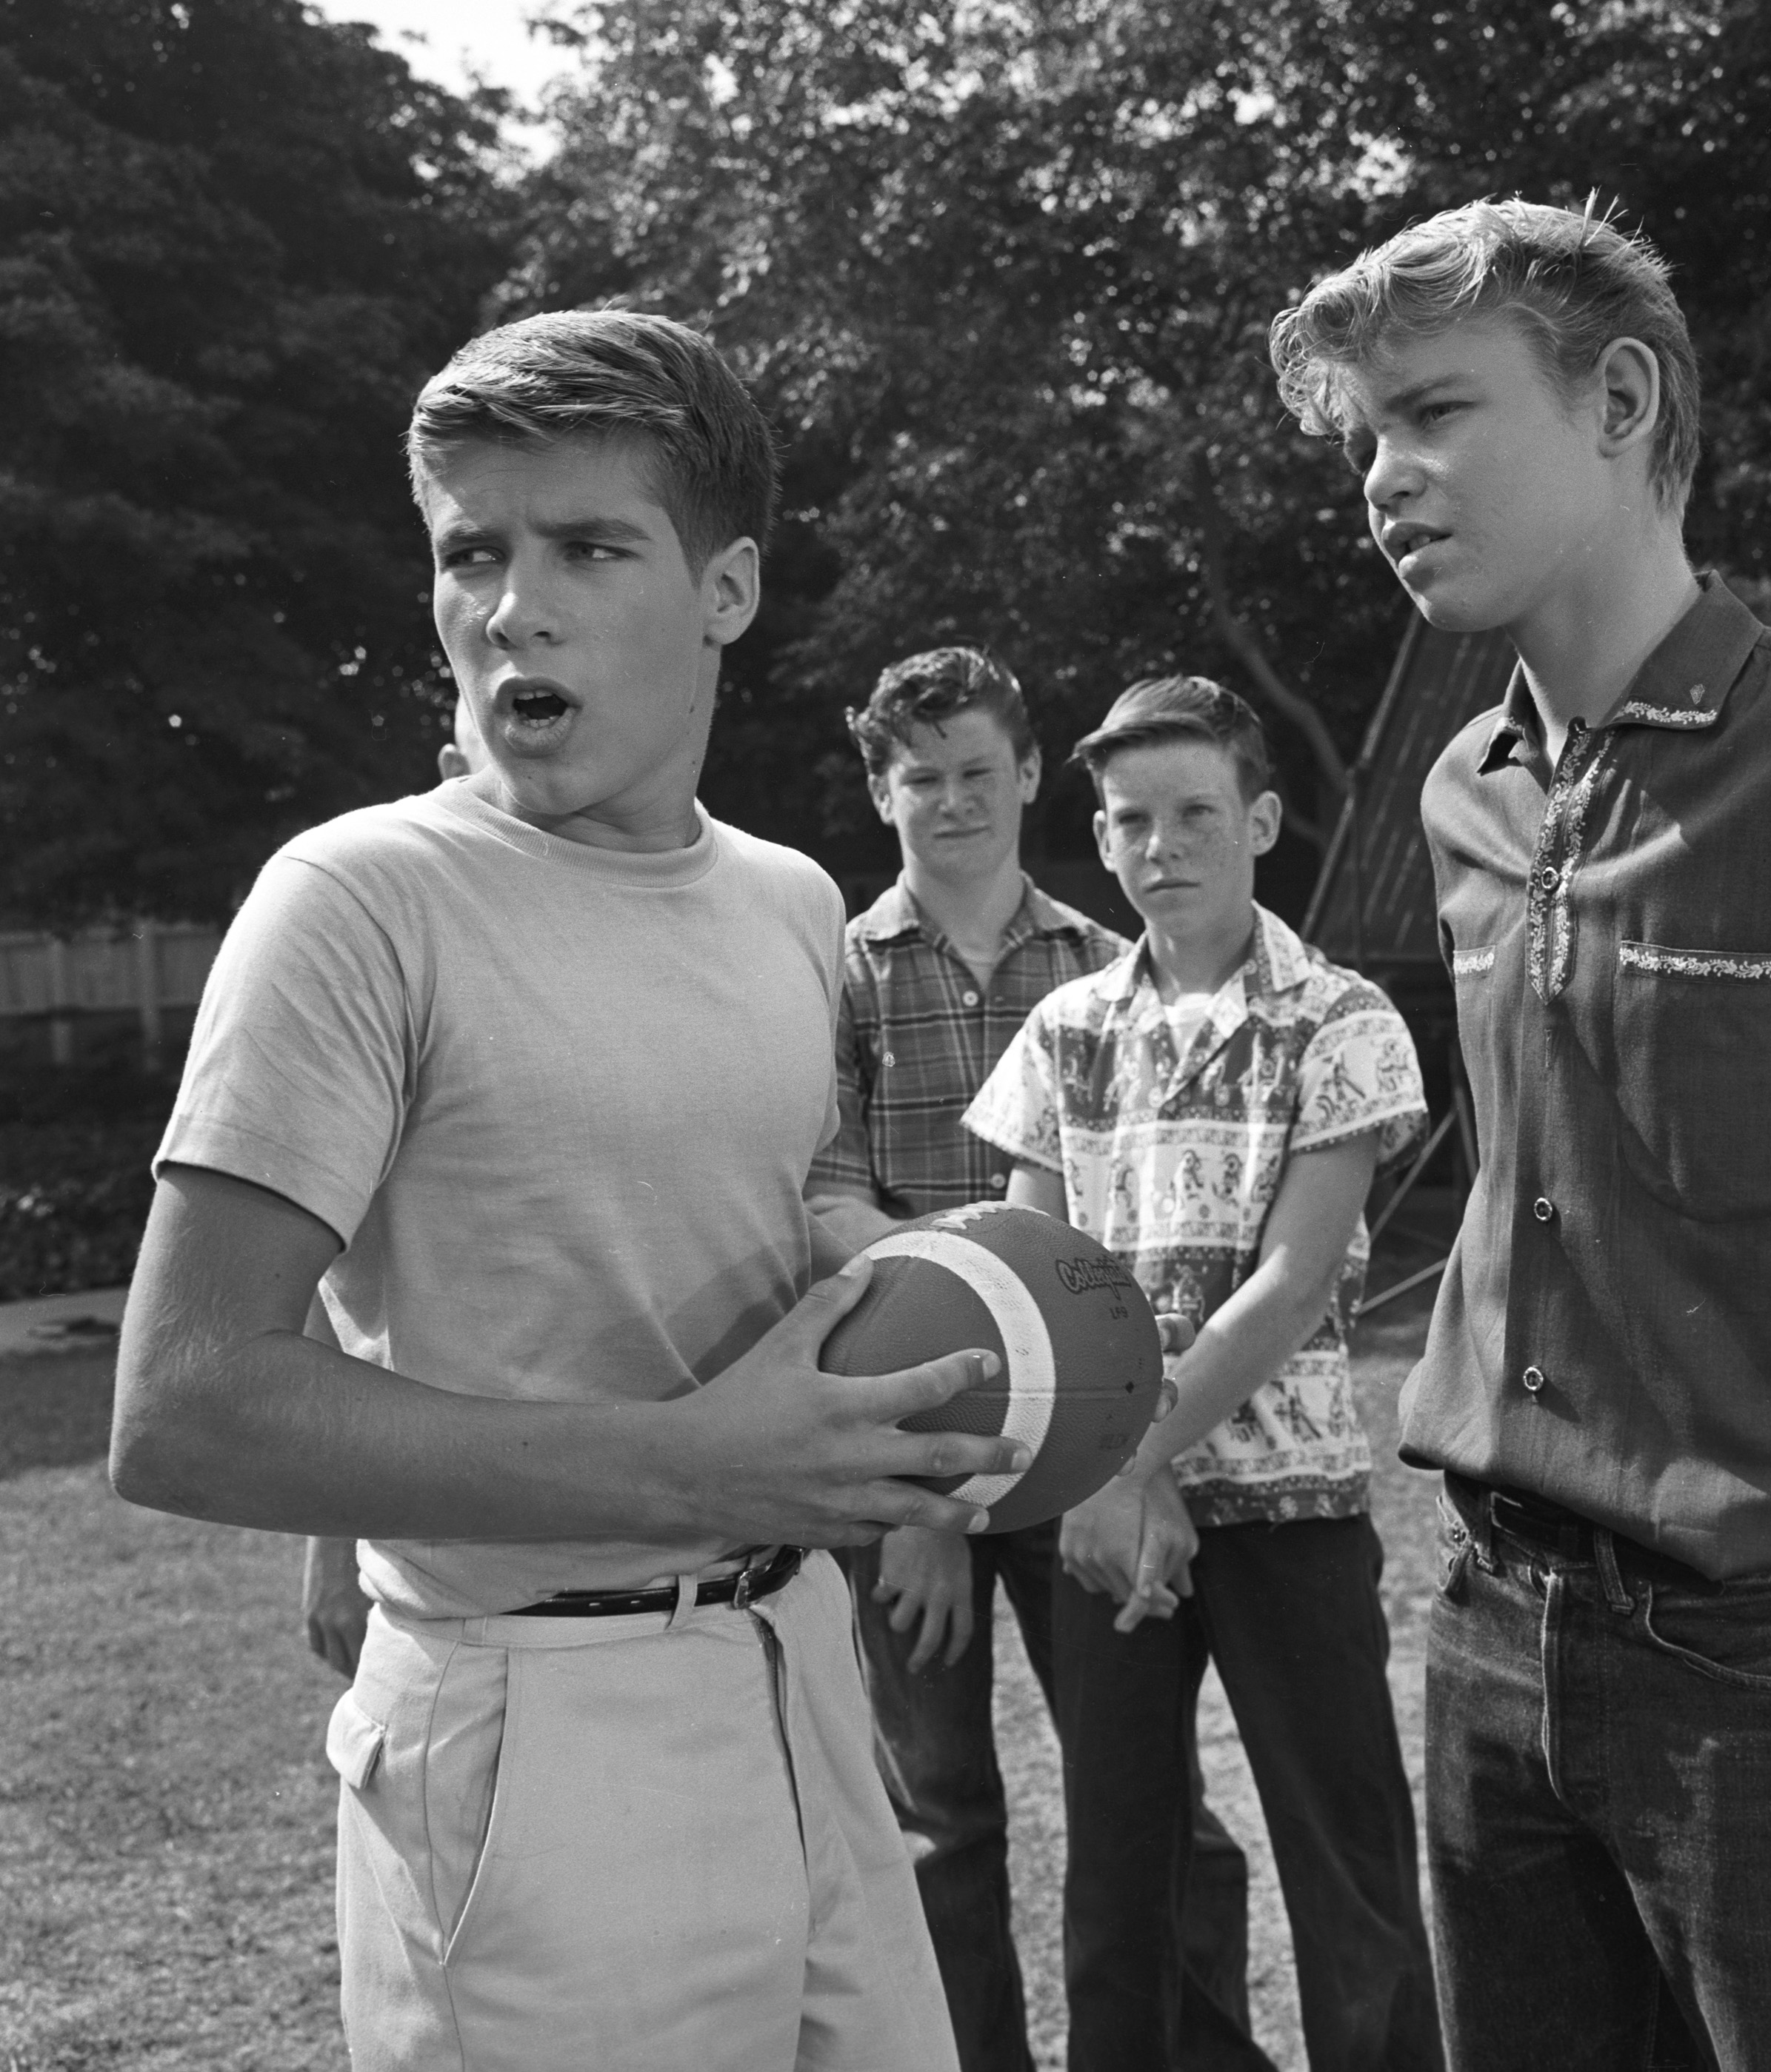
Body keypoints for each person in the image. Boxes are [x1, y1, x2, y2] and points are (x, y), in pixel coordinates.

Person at [109, 309, 1041, 2072]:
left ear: (727, 589)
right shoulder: (356, 900)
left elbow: (793, 1196)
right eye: (472, 551)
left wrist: (953, 1300)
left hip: (801, 1666)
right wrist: (690, 1460)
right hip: (533, 1723)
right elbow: (181, 1404)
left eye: (588, 546)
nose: (509, 605)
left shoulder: (784, 900)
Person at [1269, 195, 1771, 2071]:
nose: (1386, 476)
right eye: (1367, 436)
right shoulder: (1471, 799)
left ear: (1621, 398)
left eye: (1438, 411)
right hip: (1482, 1628)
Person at [964, 675, 1445, 2072]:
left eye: (1193, 813)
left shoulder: (1339, 1018)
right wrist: (1116, 1481)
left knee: (1346, 1869)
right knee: (1121, 1881)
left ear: (1263, 818)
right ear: (1101, 841)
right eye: (1128, 821)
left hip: (1283, 1505)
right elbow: (1035, 1285)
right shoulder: (1062, 1035)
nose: (1159, 844)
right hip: (1107, 1520)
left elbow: (1292, 1283)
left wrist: (1135, 1457)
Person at [806, 646, 1261, 2072]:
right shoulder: (834, 973)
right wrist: (932, 1503)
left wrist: (1133, 1459)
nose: (955, 802)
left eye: (979, 772)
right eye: (920, 777)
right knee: (940, 1809)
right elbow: (824, 1197)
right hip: (910, 1445)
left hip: (1088, 1451)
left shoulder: (1104, 964)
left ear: (1023, 772)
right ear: (883, 792)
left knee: (1152, 1802)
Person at [302, 698, 490, 1680]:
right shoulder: (386, 973)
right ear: (455, 767)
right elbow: (329, 1297)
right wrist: (331, 1546)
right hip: (453, 1587)